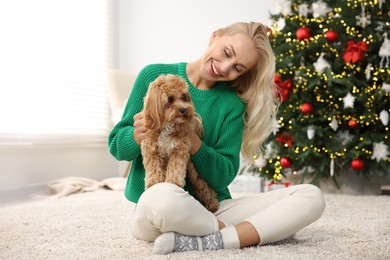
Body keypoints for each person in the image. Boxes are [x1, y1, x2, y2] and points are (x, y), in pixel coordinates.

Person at [108, 21, 325, 254]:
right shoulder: (154, 76)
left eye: (237, 68)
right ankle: (240, 232)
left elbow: (222, 177)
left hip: (212, 209)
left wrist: (193, 141)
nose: (224, 67)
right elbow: (116, 147)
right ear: (214, 37)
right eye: (227, 53)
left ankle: (213, 239)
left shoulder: (231, 103)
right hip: (159, 206)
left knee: (311, 196)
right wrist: (136, 136)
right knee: (162, 196)